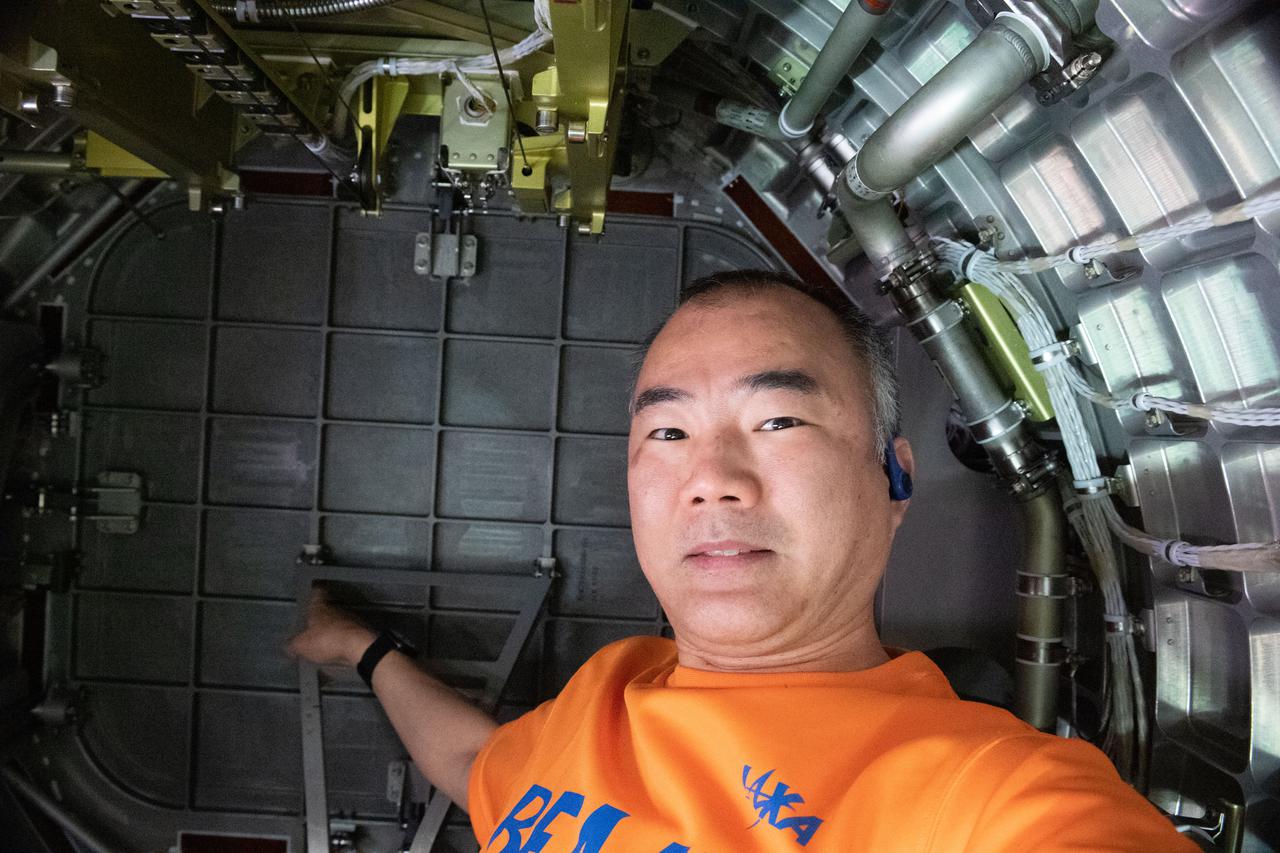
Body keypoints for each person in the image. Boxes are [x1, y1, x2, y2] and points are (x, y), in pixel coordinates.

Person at [288, 270, 1194, 852]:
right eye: (668, 431)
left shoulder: (982, 797)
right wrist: (359, 648)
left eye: (778, 421)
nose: (710, 480)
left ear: (893, 479)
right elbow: (478, 761)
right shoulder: (612, 688)